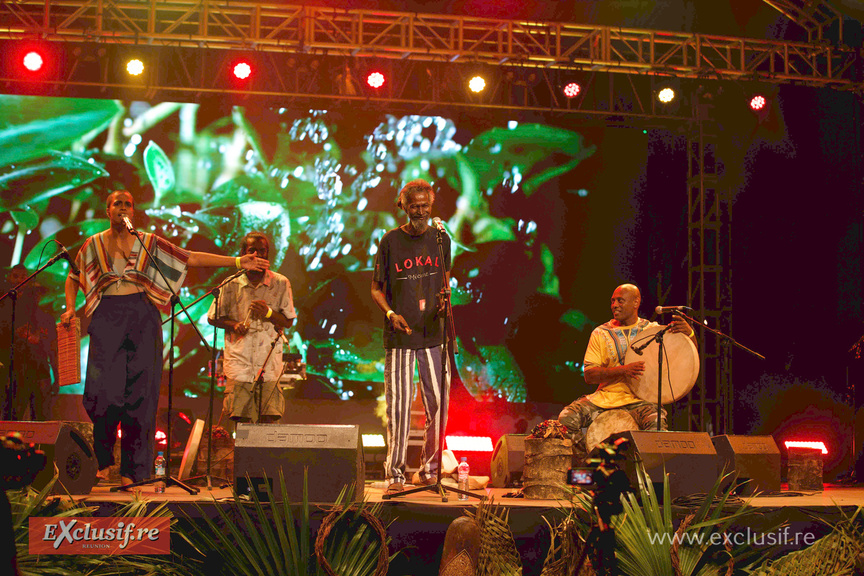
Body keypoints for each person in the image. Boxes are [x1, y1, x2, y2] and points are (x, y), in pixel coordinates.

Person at [59, 190, 269, 486]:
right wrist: (70, 308)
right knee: (102, 395)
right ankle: (104, 461)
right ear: (107, 210)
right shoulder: (92, 244)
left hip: (143, 316)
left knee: (140, 397)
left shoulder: (148, 242)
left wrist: (237, 262)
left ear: (133, 210)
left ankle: (134, 471)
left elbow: (190, 257)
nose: (122, 207)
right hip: (107, 317)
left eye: (127, 204)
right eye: (117, 203)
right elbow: (73, 276)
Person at [371, 179, 452, 495]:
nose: (420, 211)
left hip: (434, 333)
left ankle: (430, 470)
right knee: (400, 407)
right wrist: (391, 314)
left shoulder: (441, 238)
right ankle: (395, 475)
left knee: (440, 406)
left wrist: (445, 300)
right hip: (401, 336)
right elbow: (376, 288)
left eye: (425, 206)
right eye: (414, 206)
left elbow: (445, 280)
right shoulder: (390, 241)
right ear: (403, 207)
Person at [558, 283, 696, 459]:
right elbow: (589, 375)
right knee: (565, 419)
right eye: (613, 301)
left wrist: (690, 334)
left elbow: (687, 357)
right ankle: (584, 467)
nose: (614, 305)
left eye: (620, 301)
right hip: (605, 398)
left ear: (636, 302)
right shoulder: (601, 333)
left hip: (642, 401)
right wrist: (623, 370)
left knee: (657, 426)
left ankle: (647, 482)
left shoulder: (652, 331)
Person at [207, 232, 296, 424]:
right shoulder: (230, 284)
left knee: (269, 424)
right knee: (242, 425)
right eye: (252, 251)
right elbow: (213, 317)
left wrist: (268, 313)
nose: (257, 255)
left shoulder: (280, 283)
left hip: (268, 364)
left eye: (262, 251)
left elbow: (288, 321)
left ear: (267, 255)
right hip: (240, 364)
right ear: (243, 254)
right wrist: (234, 325)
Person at [0, 265, 58, 421]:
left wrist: (57, 377)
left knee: (40, 416)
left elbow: (51, 347)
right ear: (9, 277)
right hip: (13, 367)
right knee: (13, 413)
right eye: (16, 276)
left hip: (37, 369)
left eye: (23, 277)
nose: (20, 280)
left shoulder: (43, 316)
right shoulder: (5, 303)